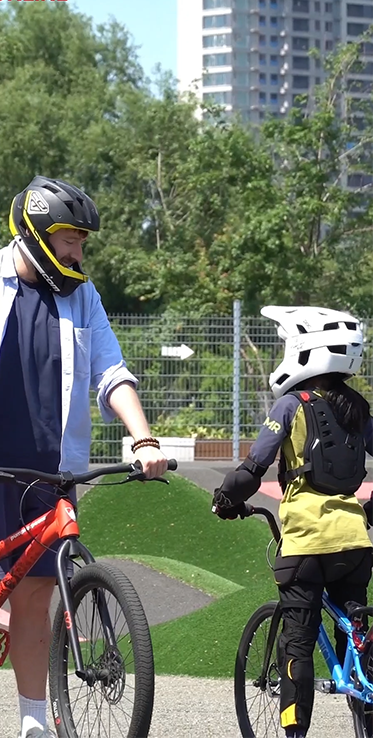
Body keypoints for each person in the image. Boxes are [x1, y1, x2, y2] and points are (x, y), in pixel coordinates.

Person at [0, 176, 168, 738]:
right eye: (70, 240)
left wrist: (143, 438)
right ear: (36, 233)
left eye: (82, 241)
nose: (79, 252)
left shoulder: (82, 295)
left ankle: (34, 723)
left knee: (37, 596)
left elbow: (112, 371)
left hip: (50, 467)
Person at [212, 305, 373, 738]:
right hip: (356, 544)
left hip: (306, 544)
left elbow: (253, 468)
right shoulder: (358, 408)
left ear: (304, 351)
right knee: (356, 637)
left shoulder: (291, 405)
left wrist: (225, 500)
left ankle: (294, 732)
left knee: (296, 643)